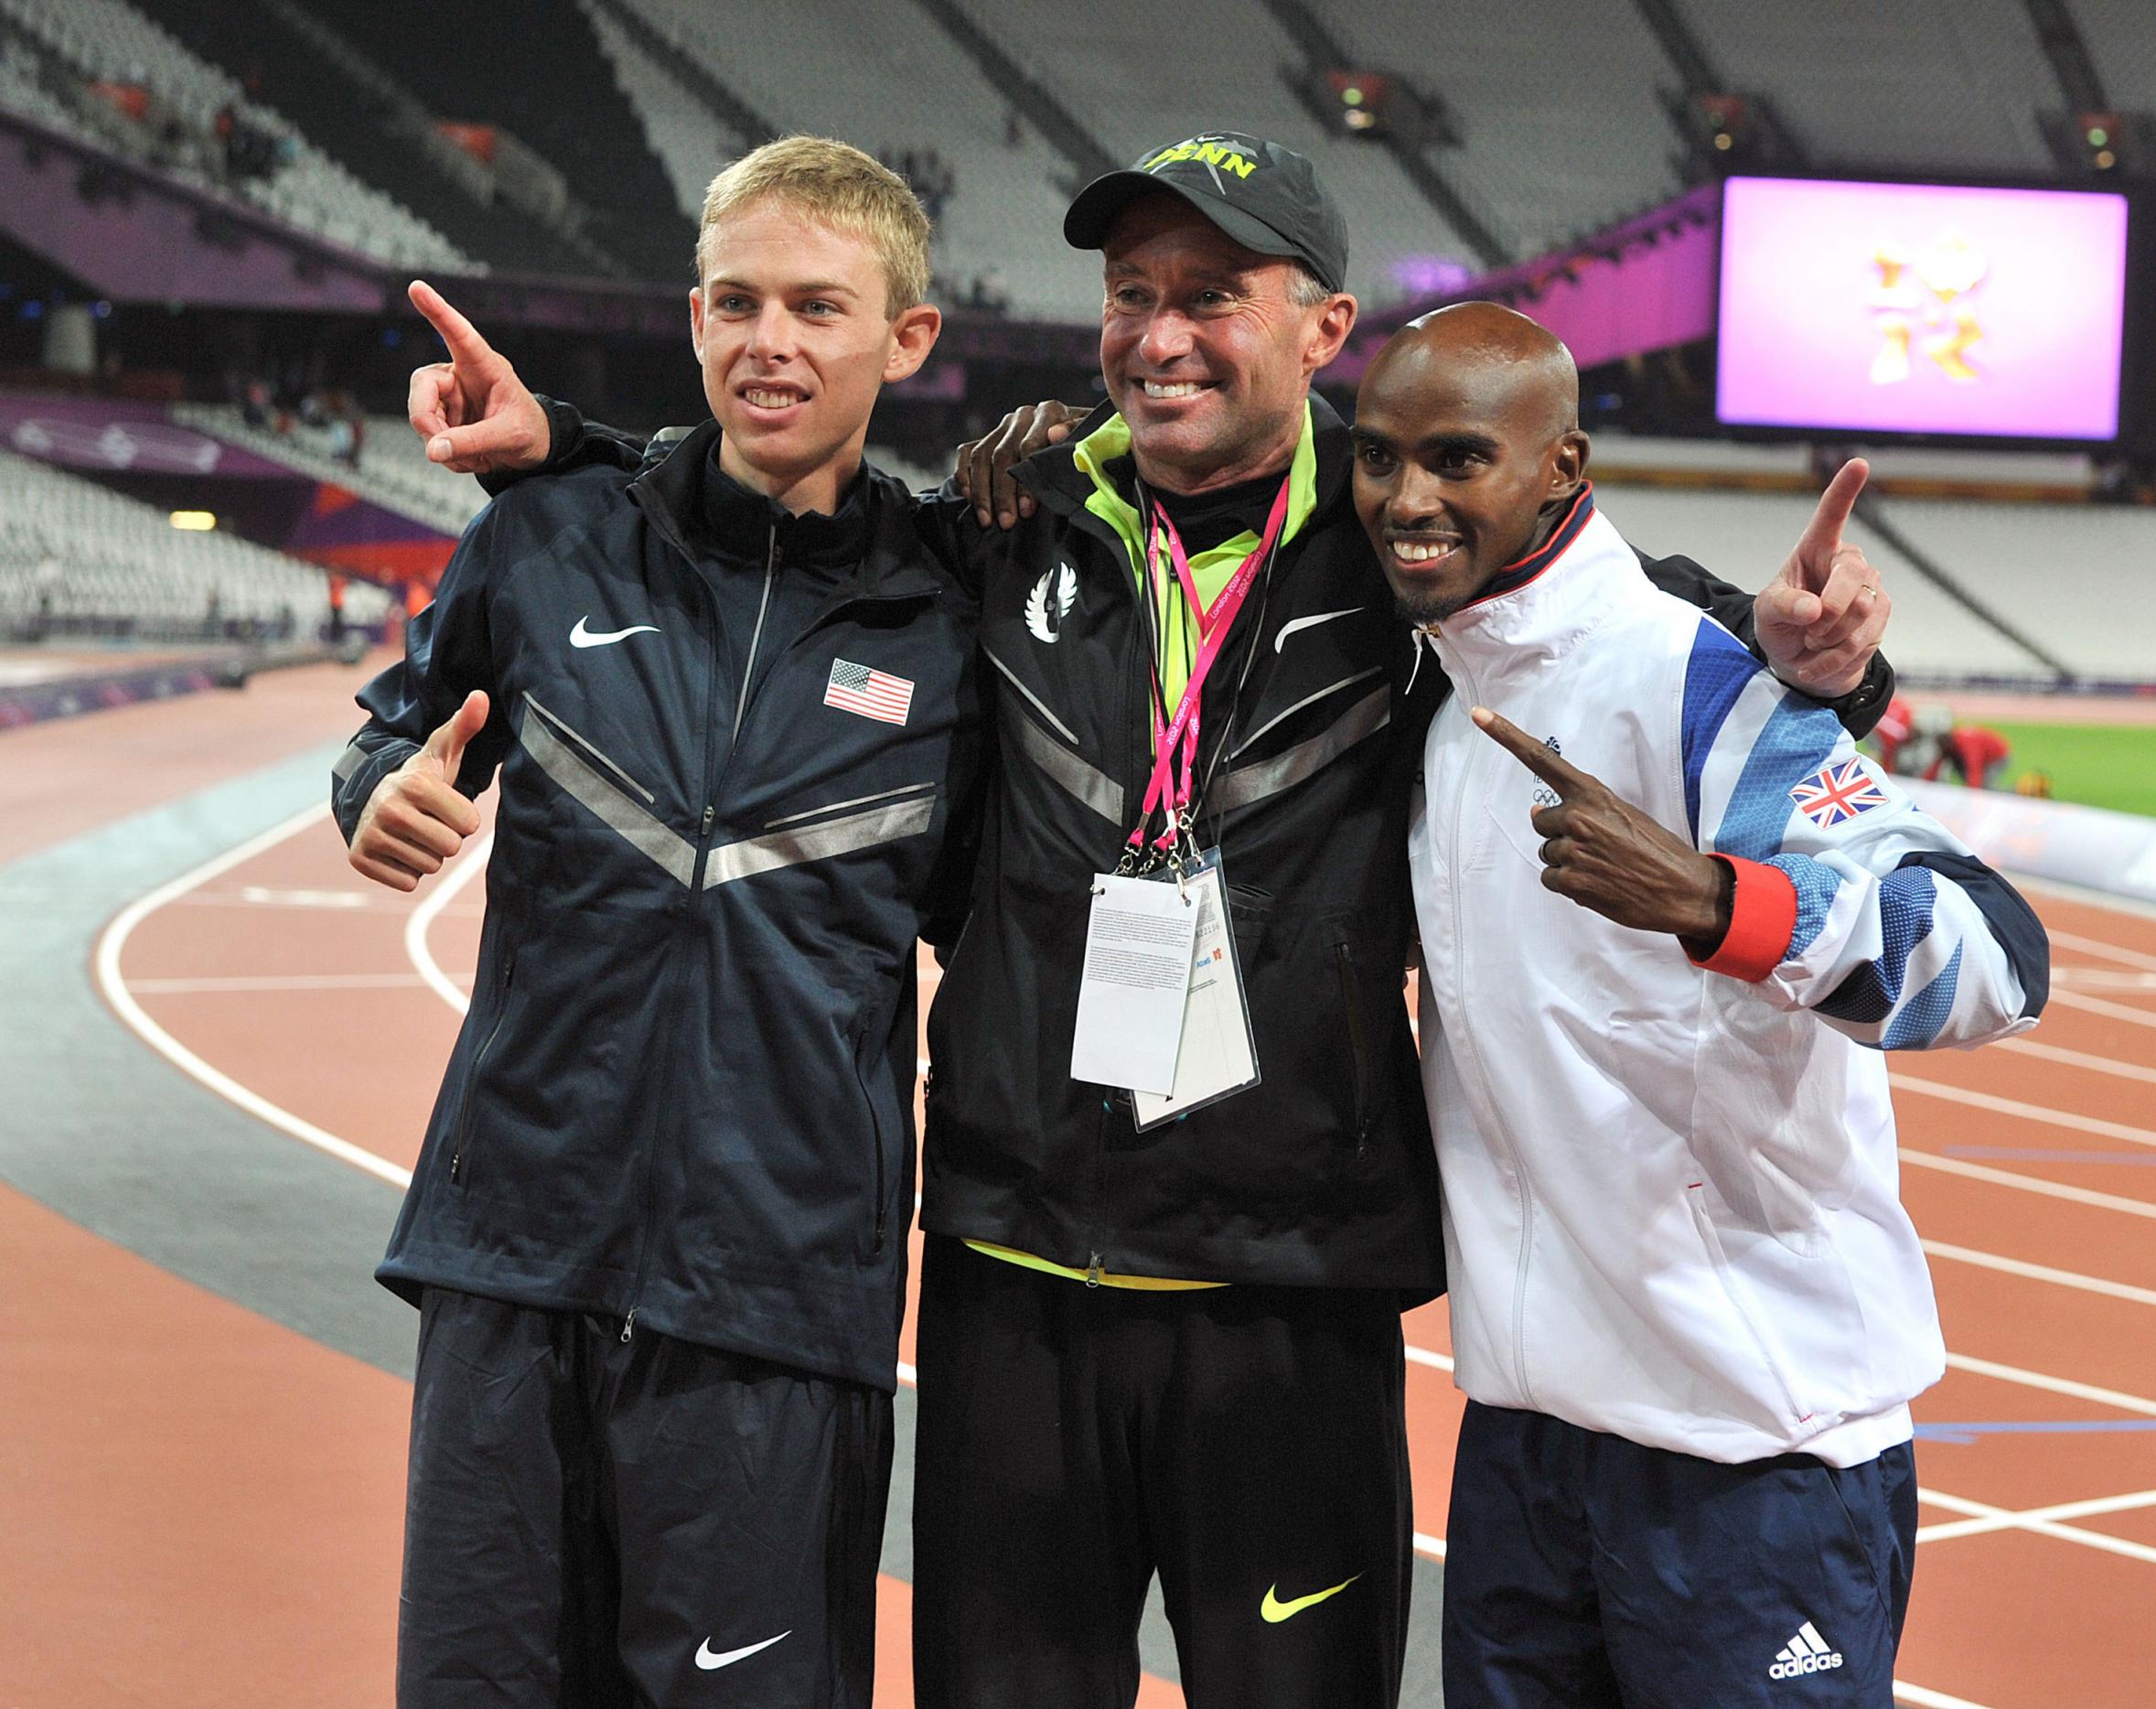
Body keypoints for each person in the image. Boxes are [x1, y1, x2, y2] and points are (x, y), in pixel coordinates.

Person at [402, 130, 1899, 1709]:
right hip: (1015, 1276)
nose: (1162, 332)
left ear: (1323, 329)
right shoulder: (1009, 518)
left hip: (1286, 1297)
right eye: (1132, 294)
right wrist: (565, 445)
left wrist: (1829, 666)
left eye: (1213, 295)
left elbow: (1629, 622)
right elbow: (783, 497)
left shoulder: (1410, 560)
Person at [333, 136, 980, 1708]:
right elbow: (393, 731)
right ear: (693, 319)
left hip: (772, 1303)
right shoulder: (544, 541)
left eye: (820, 308)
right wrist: (372, 795)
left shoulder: (960, 617)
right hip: (512, 1260)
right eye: (739, 303)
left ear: (905, 340)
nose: (773, 344)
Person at [1350, 303, 2047, 1707]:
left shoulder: (1701, 681)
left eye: (1458, 457)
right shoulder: (1448, 707)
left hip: (1755, 1451)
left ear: (1562, 467)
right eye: (1377, 459)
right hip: (1530, 1438)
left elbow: (1994, 955)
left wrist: (1728, 905)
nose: (1408, 499)